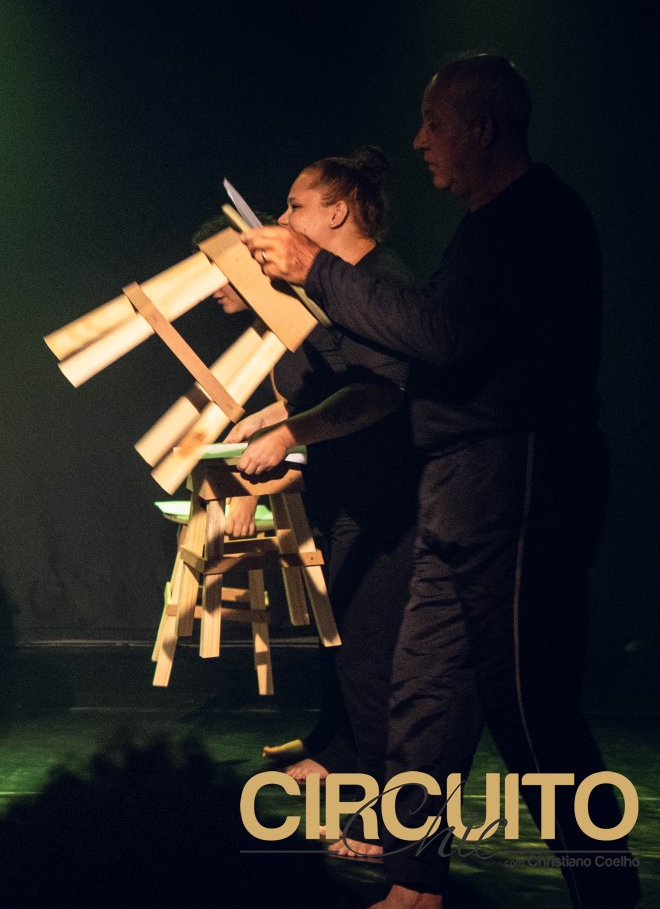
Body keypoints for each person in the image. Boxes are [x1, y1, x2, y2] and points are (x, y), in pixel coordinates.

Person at [244, 55, 640, 909]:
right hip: (459, 486)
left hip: (520, 477)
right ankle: (415, 884)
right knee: (426, 691)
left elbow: (443, 334)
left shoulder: (536, 215)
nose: (420, 140)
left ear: (482, 129)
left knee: (530, 709)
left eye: (435, 123)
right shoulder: (485, 225)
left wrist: (317, 271)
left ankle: (605, 888)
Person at [226, 147, 417, 861]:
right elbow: (328, 384)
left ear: (336, 213)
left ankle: (387, 820)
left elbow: (377, 394)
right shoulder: (332, 290)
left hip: (391, 508)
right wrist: (282, 427)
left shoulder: (379, 285)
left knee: (373, 662)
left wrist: (289, 435)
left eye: (296, 206)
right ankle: (338, 759)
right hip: (347, 496)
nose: (283, 218)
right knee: (345, 646)